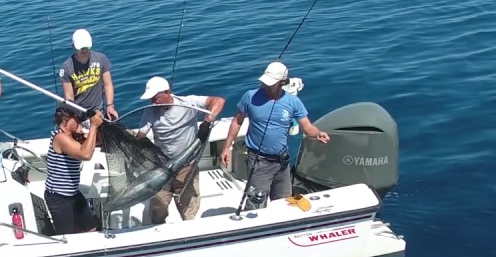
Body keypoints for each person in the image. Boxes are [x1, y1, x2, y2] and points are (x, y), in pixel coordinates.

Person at [221, 61, 329, 204]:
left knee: (283, 202)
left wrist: (318, 134)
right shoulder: (250, 96)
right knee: (256, 202)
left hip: (281, 163)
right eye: (265, 82)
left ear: (282, 82)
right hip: (258, 162)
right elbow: (237, 121)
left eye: (271, 84)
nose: (266, 86)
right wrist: (226, 147)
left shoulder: (293, 102)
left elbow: (307, 127)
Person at [136, 76, 225, 224]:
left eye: (156, 98)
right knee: (157, 212)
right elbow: (141, 135)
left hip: (186, 167)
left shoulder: (188, 103)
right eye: (150, 99)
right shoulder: (150, 111)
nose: (153, 102)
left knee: (188, 213)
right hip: (162, 168)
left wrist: (207, 122)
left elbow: (218, 101)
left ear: (167, 92)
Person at [44, 106, 104, 234]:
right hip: (58, 196)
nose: (79, 122)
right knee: (67, 237)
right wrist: (92, 127)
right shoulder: (60, 137)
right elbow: (86, 155)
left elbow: (96, 141)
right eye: (77, 119)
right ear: (67, 120)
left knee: (91, 228)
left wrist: (98, 125)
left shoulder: (74, 136)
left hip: (73, 193)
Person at [58, 29, 117, 122]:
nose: (84, 50)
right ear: (73, 46)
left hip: (98, 112)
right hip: (79, 114)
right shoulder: (66, 68)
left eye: (86, 47)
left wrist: (110, 106)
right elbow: (69, 97)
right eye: (81, 48)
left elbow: (108, 84)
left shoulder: (101, 59)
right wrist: (75, 120)